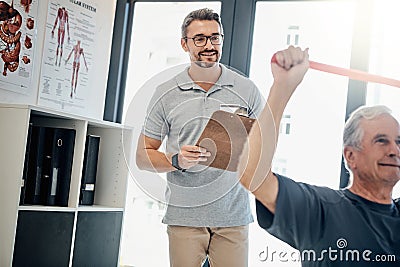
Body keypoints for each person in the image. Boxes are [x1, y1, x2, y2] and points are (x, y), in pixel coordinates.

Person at [238, 46, 400, 266]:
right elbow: (253, 175)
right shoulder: (321, 208)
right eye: (381, 141)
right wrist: (282, 87)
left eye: (398, 142)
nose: (394, 151)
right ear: (351, 156)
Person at [136, 8, 264, 267]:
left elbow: (265, 145)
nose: (209, 45)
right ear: (185, 44)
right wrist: (176, 160)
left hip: (233, 216)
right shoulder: (166, 92)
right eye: (200, 39)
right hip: (185, 217)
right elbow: (142, 156)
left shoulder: (246, 89)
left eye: (215, 37)